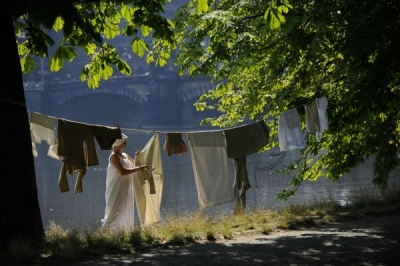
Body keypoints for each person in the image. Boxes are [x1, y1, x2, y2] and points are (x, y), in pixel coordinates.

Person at [102, 133, 150, 230]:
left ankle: (122, 233)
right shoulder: (114, 157)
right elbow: (123, 172)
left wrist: (138, 157)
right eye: (123, 143)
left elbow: (134, 164)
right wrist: (140, 168)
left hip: (126, 188)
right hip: (116, 188)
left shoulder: (125, 155)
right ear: (118, 144)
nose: (125, 144)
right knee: (114, 211)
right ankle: (104, 234)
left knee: (124, 210)